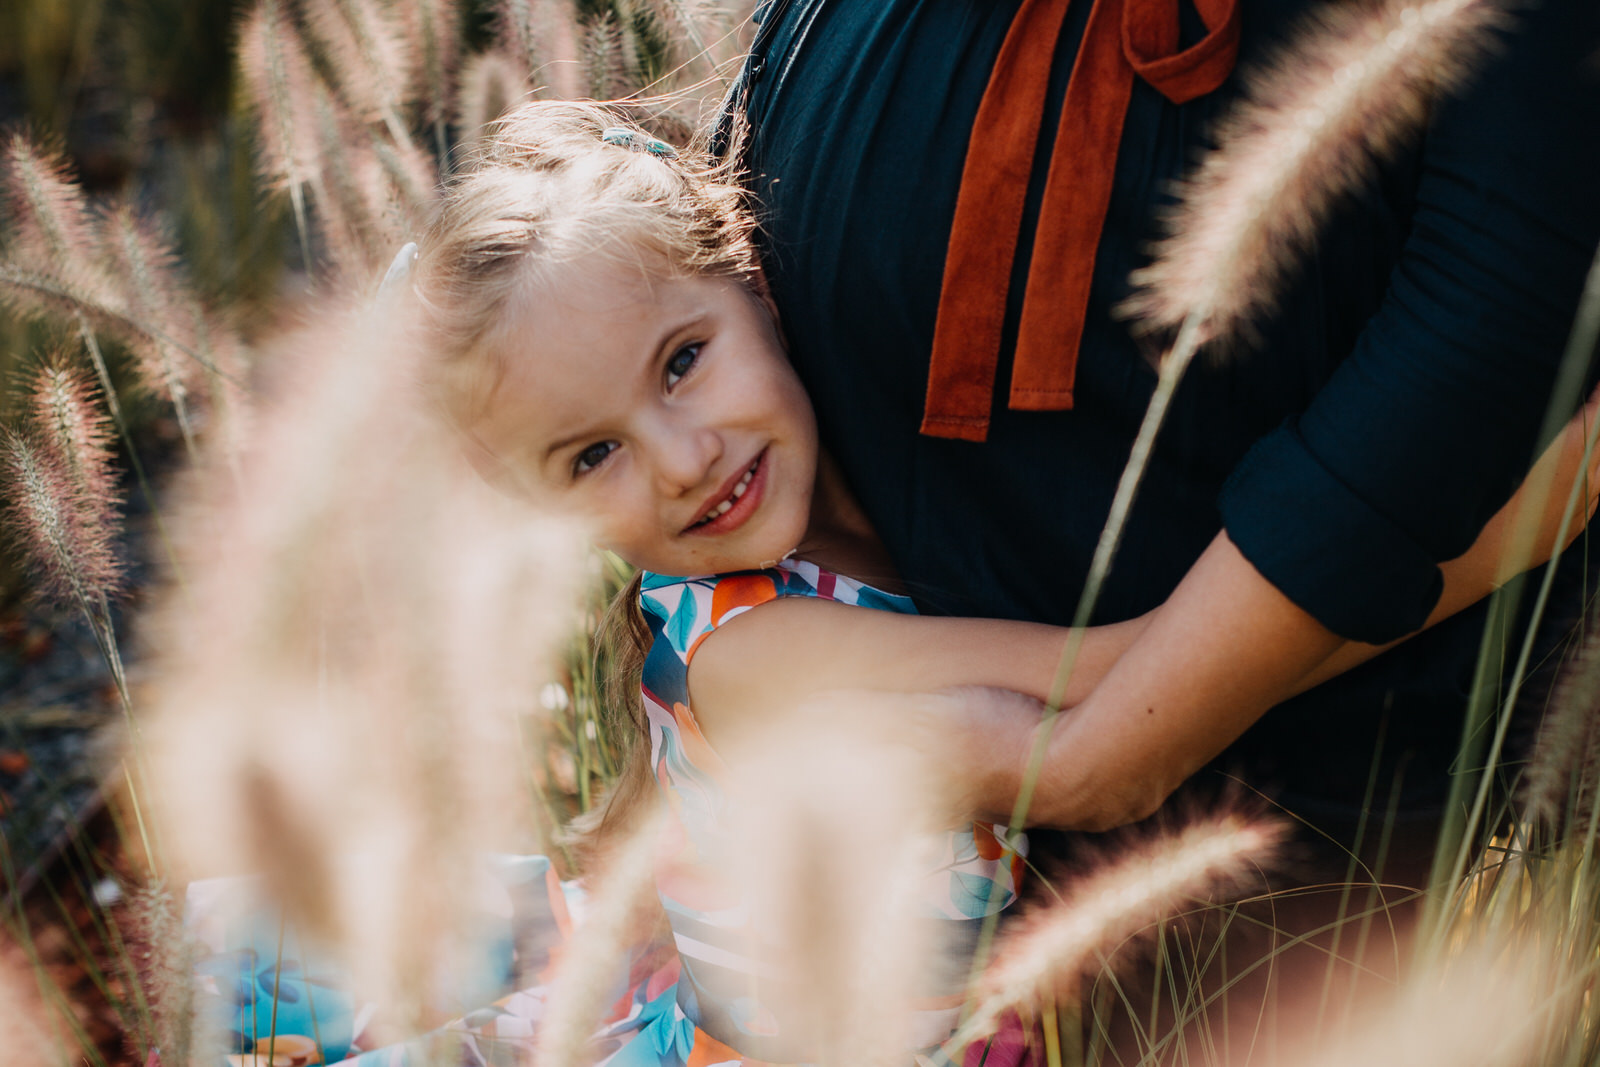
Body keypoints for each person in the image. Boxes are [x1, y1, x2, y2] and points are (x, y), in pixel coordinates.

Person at [385, 100, 1599, 1066]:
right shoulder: (756, 658)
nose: (682, 457)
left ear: (751, 281)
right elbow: (1140, 675)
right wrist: (1510, 530)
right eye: (591, 455)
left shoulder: (837, 536)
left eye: (683, 361)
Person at [730, 0, 1600, 854]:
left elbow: (1494, 293)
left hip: (1284, 835)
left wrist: (1110, 757)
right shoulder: (727, 639)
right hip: (934, 834)